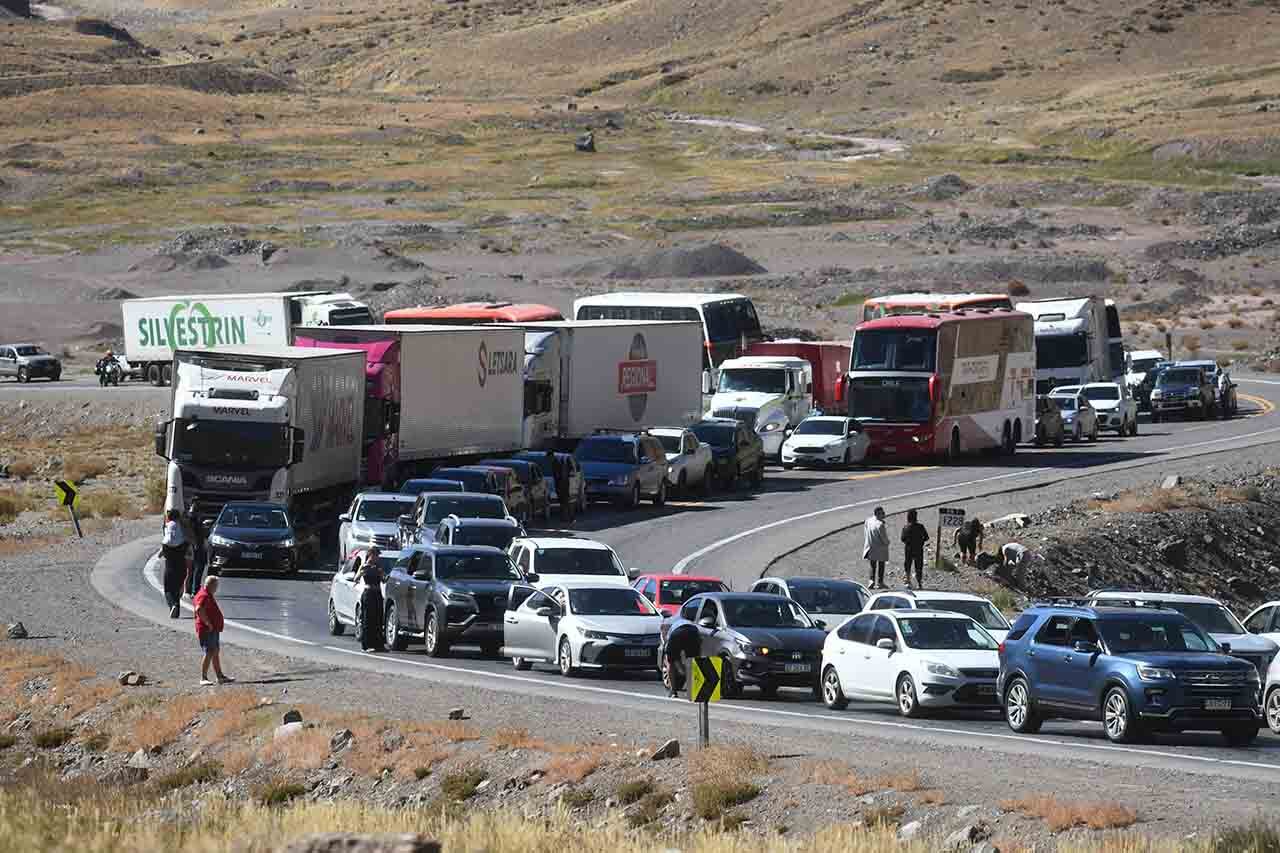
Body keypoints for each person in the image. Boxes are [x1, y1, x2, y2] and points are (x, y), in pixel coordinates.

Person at [192, 575, 232, 685]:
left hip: (212, 629)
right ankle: (203, 678)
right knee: (209, 652)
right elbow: (199, 609)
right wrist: (208, 623)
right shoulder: (204, 595)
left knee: (215, 651)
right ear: (211, 585)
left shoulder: (206, 594)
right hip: (207, 630)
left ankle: (220, 676)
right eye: (216, 586)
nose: (216, 588)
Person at [357, 547, 386, 653]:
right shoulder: (365, 566)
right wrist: (366, 571)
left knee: (378, 619)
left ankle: (378, 645)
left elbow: (383, 579)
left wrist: (382, 573)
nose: (378, 558)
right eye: (376, 555)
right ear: (371, 555)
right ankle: (366, 644)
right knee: (368, 619)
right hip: (368, 594)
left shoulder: (378, 567)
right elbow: (357, 577)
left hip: (377, 594)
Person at [160, 509, 188, 619]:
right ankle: (176, 607)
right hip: (182, 566)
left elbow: (165, 545)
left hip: (170, 567)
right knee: (177, 588)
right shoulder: (183, 531)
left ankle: (173, 605)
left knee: (168, 589)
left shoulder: (167, 531)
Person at [663, 622, 701, 698]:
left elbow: (671, 659)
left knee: (671, 664)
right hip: (693, 632)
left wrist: (680, 668)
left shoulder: (670, 633)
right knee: (693, 662)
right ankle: (694, 690)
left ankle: (673, 691)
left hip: (677, 634)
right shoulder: (687, 621)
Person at [900, 509, 930, 589]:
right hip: (918, 549)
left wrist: (908, 542)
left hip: (909, 549)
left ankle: (908, 582)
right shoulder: (920, 526)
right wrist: (921, 541)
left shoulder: (906, 527)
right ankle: (919, 583)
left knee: (908, 565)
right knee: (919, 566)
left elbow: (902, 539)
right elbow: (926, 537)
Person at [863, 506, 890, 589]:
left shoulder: (868, 520)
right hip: (880, 548)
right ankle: (880, 582)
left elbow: (865, 532)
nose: (884, 514)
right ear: (878, 514)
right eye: (882, 513)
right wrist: (888, 542)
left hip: (870, 546)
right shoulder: (880, 525)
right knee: (881, 565)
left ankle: (871, 581)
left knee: (872, 565)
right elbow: (884, 538)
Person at [547, 451, 574, 525]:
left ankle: (567, 517)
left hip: (562, 484)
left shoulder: (556, 462)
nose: (549, 460)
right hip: (562, 483)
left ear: (551, 456)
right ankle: (567, 517)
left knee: (564, 501)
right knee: (564, 501)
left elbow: (559, 475)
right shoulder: (557, 461)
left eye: (549, 458)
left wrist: (559, 485)